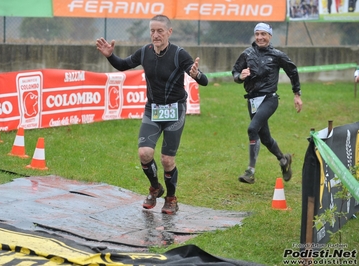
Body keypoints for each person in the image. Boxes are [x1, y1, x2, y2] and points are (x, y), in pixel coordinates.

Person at [96, 15, 208, 214]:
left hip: (175, 110)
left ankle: (171, 198)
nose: (155, 35)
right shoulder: (145, 52)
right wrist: (110, 56)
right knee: (144, 153)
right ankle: (155, 187)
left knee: (167, 159)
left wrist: (197, 75)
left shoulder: (179, 54)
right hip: (153, 109)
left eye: (160, 31)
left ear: (169, 32)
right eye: (152, 31)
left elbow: (203, 80)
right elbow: (123, 65)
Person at [231, 22, 303, 184]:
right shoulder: (247, 54)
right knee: (265, 138)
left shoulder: (277, 55)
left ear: (270, 36)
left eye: (263, 34)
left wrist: (297, 94)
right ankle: (283, 159)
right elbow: (235, 72)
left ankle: (250, 171)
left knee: (252, 129)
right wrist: (240, 76)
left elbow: (293, 71)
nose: (260, 37)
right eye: (257, 34)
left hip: (269, 99)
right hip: (252, 100)